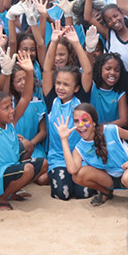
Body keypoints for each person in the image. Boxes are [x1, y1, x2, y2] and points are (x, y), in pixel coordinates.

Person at [0, 45, 47, 210]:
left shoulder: (10, 122)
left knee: (43, 164)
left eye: (10, 106)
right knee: (28, 169)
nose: (12, 110)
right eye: (6, 108)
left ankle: (10, 191)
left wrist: (29, 72)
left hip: (8, 170)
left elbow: (26, 97)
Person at [41, 24, 95, 200]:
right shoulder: (52, 100)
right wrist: (54, 41)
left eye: (66, 84)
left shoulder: (81, 99)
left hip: (81, 156)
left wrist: (77, 44)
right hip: (58, 158)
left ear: (76, 87)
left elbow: (87, 70)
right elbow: (47, 70)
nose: (60, 88)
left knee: (84, 194)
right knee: (62, 194)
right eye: (58, 83)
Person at [54, 104, 128, 206]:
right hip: (108, 178)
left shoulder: (111, 130)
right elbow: (72, 170)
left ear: (94, 122)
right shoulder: (79, 148)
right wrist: (64, 139)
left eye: (85, 120)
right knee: (77, 176)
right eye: (76, 121)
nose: (80, 124)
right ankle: (106, 192)